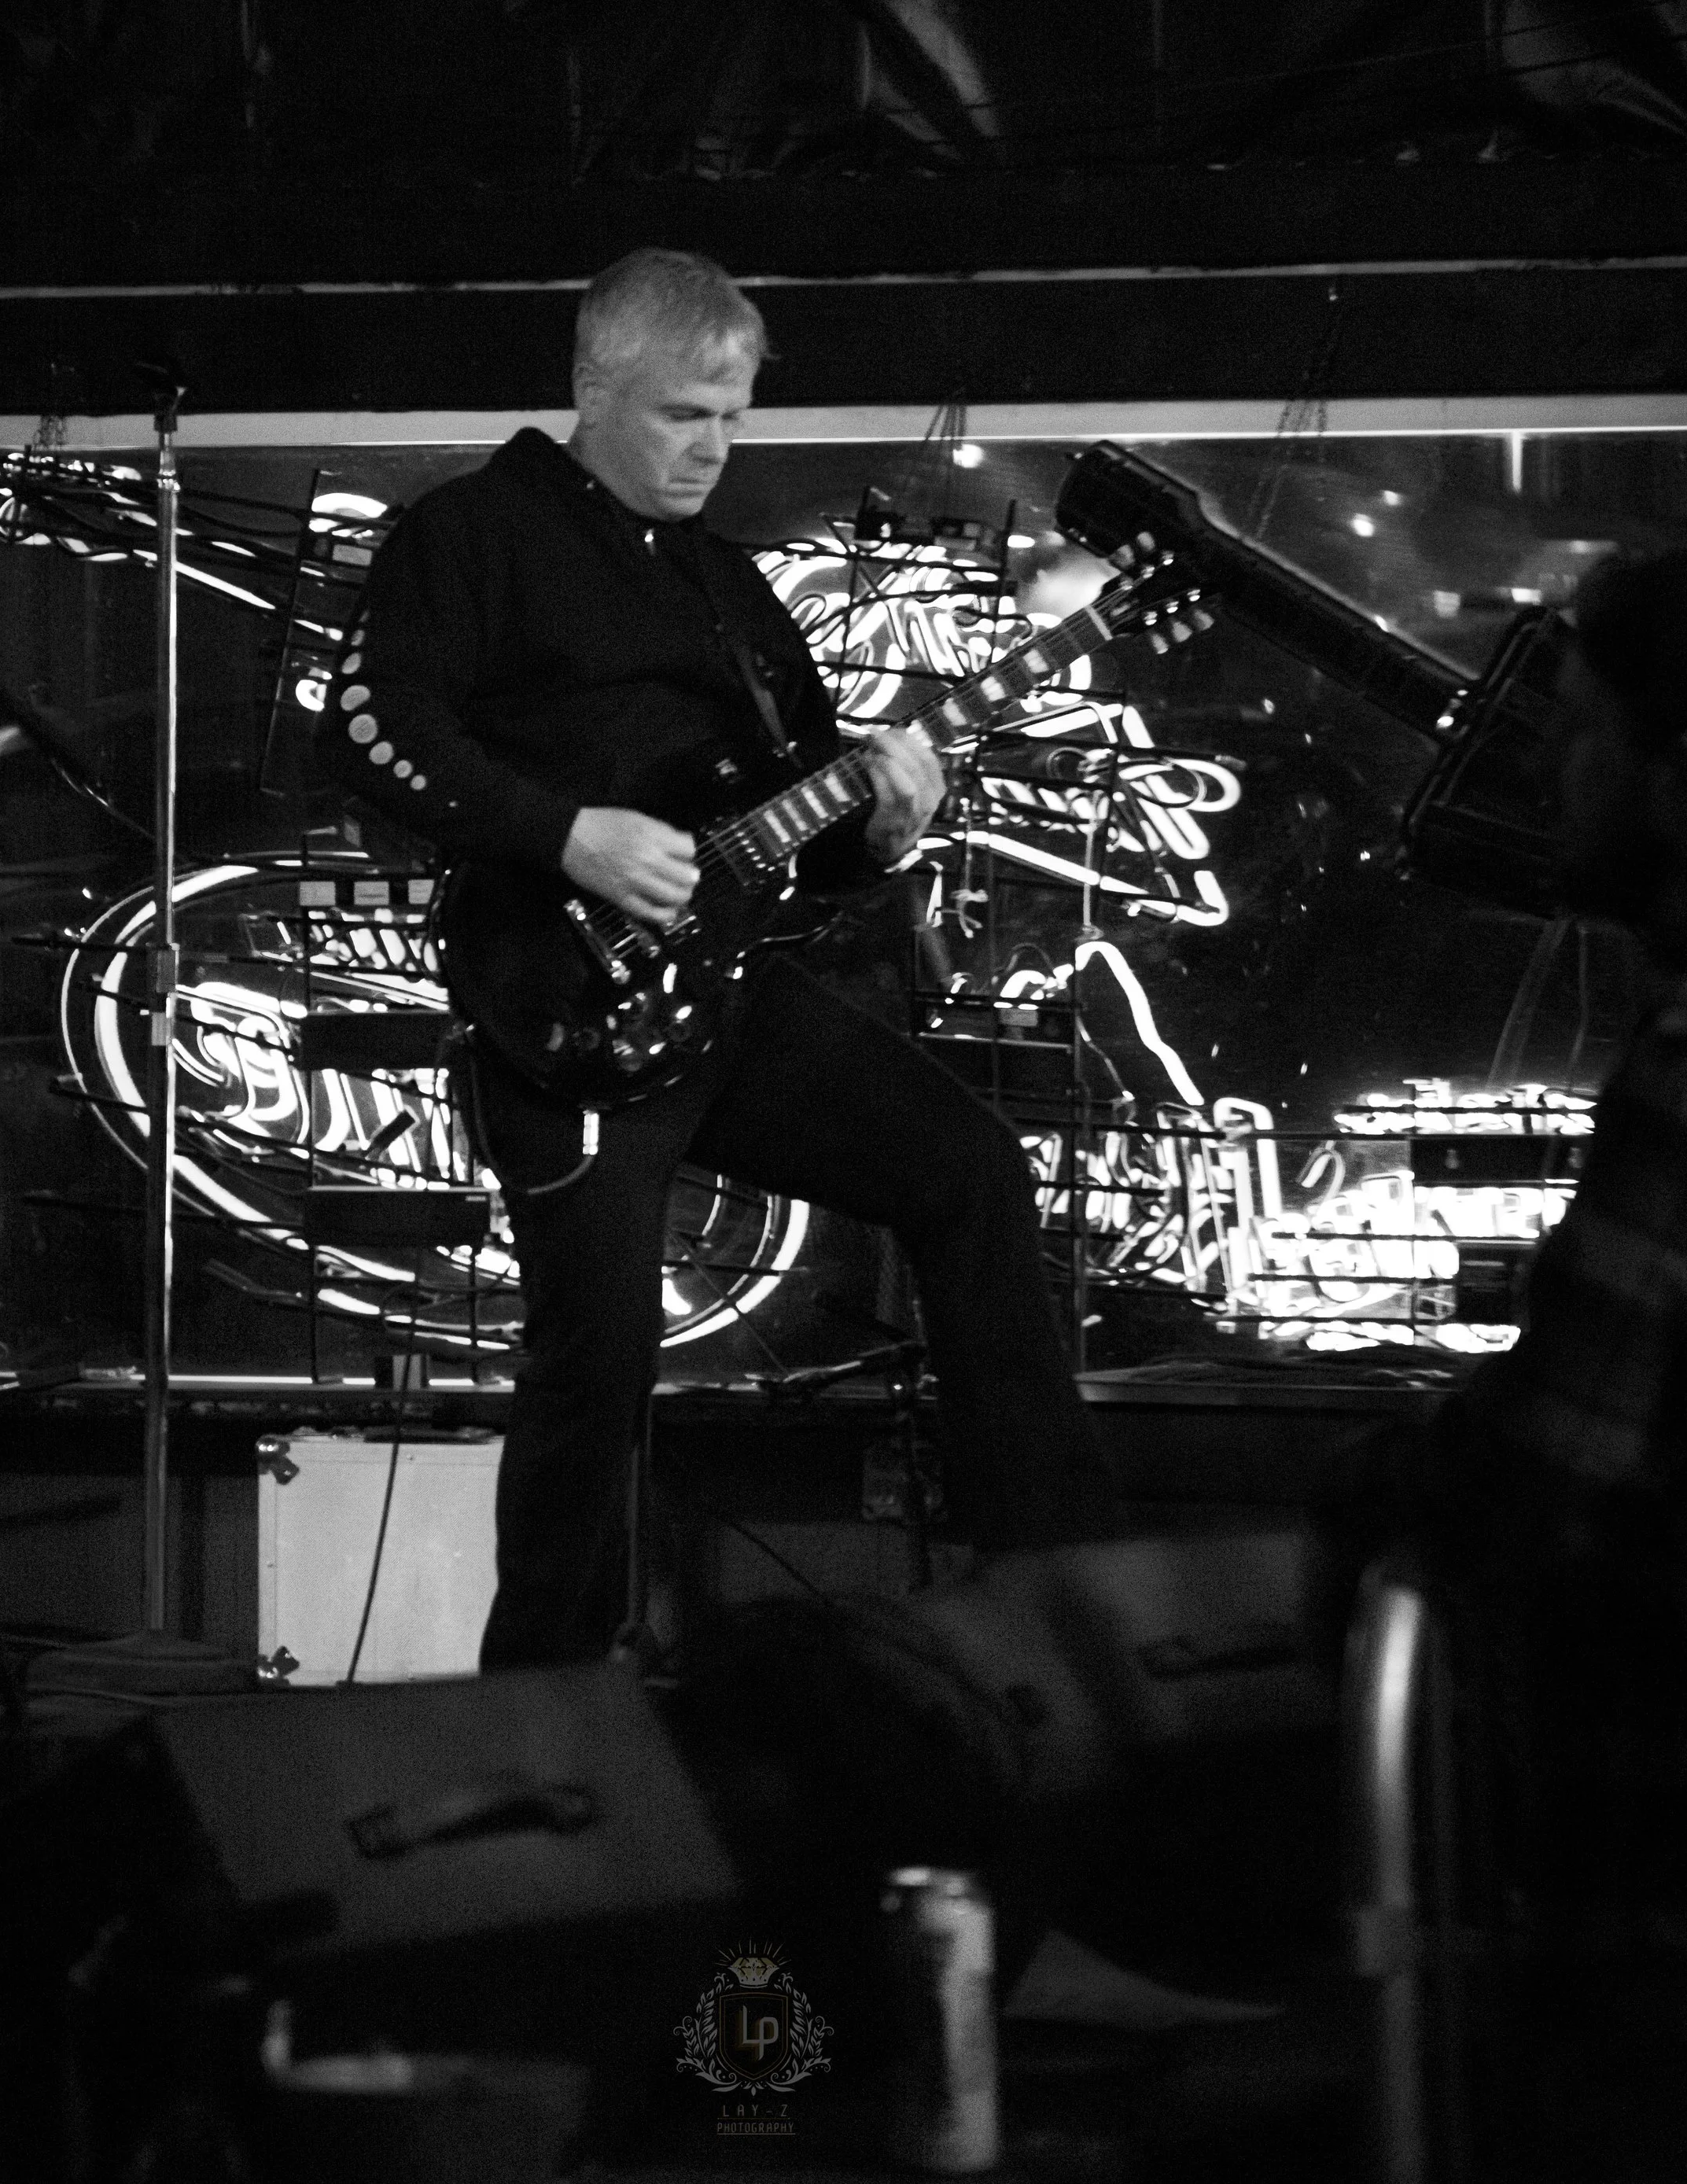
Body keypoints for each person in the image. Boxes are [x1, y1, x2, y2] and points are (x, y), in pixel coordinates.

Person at [320, 248, 1115, 1670]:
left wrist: (880, 825)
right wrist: (566, 836)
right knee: (598, 1354)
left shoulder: (723, 586)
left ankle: (1045, 1605)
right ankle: (551, 1703)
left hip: (726, 992)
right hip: (558, 1006)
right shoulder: (472, 534)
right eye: (687, 412)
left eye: (735, 416)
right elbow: (370, 732)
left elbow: (795, 827)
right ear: (591, 385)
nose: (714, 447)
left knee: (971, 1170)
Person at [1335, 543, 1687, 2181]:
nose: (1541, 777)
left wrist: (1380, 1488)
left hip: (1686, 1892)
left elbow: (1542, 1471)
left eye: (1576, 735)